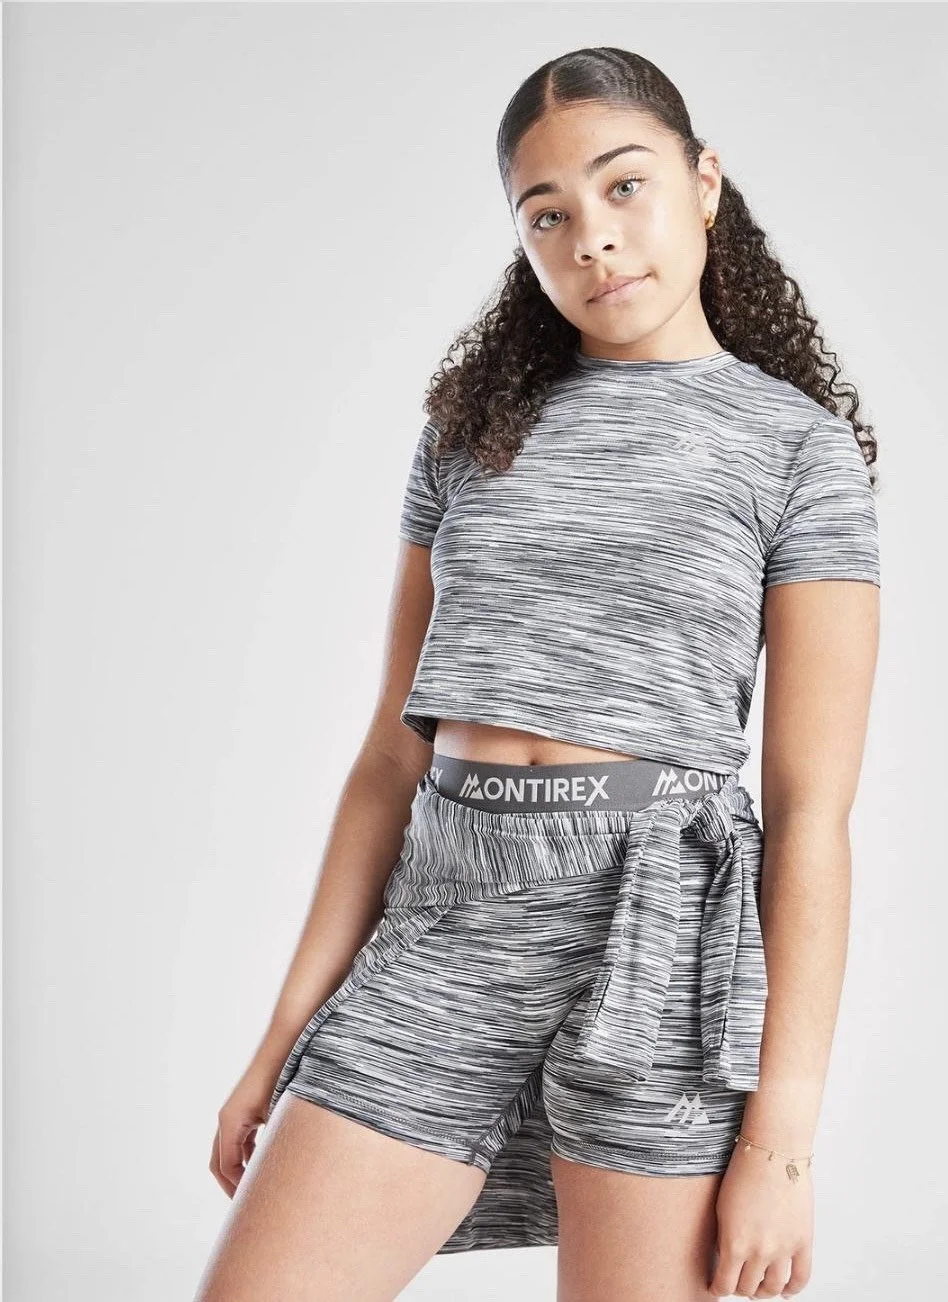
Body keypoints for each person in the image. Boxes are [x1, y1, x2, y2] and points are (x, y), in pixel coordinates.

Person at [195, 46, 880, 1302]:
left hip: (656, 936)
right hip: (446, 915)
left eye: (625, 189)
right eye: (548, 215)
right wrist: (284, 1036)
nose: (595, 242)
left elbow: (813, 817)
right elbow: (390, 757)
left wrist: (782, 1141)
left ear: (705, 181)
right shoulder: (471, 428)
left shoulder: (797, 451)